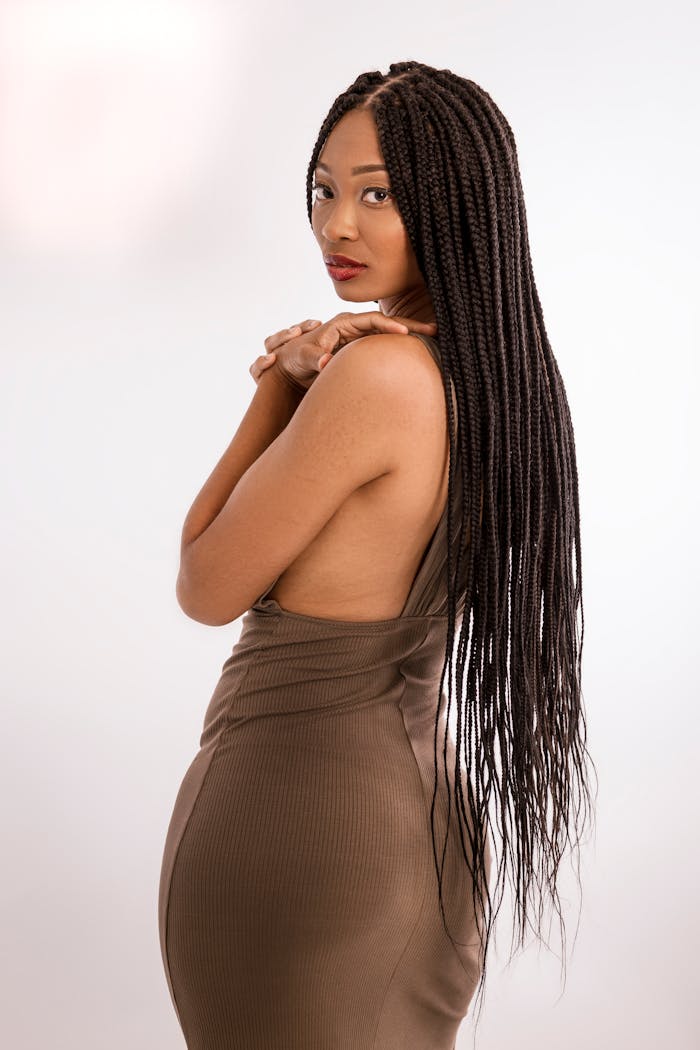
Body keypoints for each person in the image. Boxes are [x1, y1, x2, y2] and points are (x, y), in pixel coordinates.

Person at [158, 60, 596, 1049]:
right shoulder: (493, 377)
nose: (336, 226)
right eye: (322, 188)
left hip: (299, 821)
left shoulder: (377, 375)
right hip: (424, 829)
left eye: (377, 193)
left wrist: (277, 383)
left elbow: (205, 583)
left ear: (451, 201)